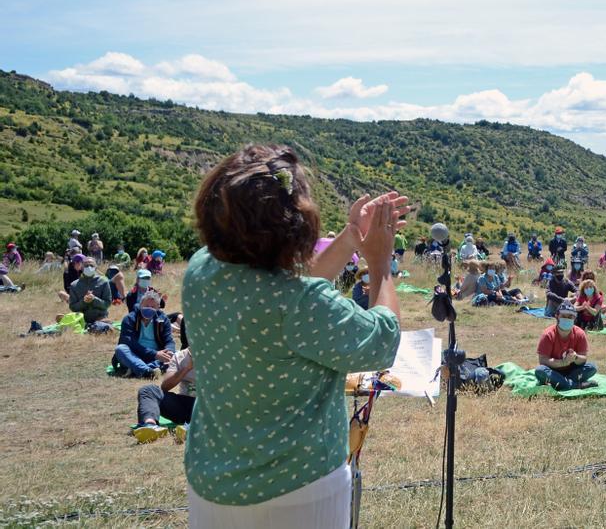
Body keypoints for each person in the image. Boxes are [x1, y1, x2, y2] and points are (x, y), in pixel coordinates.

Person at [183, 144, 405, 527]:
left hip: (213, 481)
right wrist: (379, 264)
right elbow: (382, 339)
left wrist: (352, 237)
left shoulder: (201, 271)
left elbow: (287, 288)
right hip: (298, 492)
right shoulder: (299, 304)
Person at [133, 314, 196, 444]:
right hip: (184, 404)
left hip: (209, 404)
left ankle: (192, 428)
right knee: (148, 390)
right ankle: (150, 426)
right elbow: (165, 387)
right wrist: (186, 369)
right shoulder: (179, 357)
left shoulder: (217, 355)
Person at [112, 288, 175, 378]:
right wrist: (154, 354)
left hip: (157, 356)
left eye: (152, 307)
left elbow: (169, 340)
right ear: (141, 304)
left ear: (158, 307)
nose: (149, 308)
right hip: (135, 354)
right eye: (146, 305)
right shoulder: (129, 319)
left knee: (178, 353)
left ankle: (139, 369)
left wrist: (169, 351)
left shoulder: (163, 319)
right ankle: (148, 371)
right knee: (120, 349)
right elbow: (130, 343)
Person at [534, 303, 598, 390]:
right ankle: (575, 385)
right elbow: (543, 360)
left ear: (574, 318)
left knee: (592, 367)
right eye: (563, 316)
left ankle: (562, 383)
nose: (567, 319)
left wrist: (575, 357)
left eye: (570, 316)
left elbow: (583, 359)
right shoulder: (548, 334)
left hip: (572, 371)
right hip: (553, 371)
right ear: (557, 316)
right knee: (540, 370)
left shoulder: (580, 333)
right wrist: (562, 362)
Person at [68, 256, 113, 329]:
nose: (89, 267)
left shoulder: (104, 282)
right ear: (82, 267)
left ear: (95, 267)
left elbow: (107, 304)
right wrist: (84, 301)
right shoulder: (74, 285)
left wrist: (94, 299)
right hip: (81, 318)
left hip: (100, 318)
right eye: (86, 265)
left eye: (91, 265)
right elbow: (73, 307)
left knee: (102, 327)